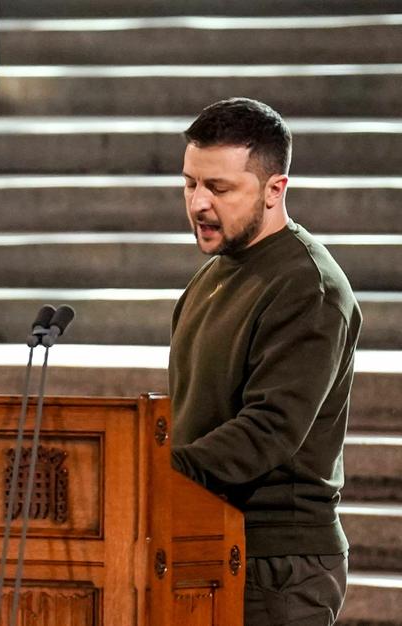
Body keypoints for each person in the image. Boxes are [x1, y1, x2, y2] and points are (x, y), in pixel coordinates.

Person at [169, 97, 362, 625]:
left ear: (275, 189)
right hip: (209, 535)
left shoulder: (307, 286)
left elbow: (269, 430)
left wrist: (155, 473)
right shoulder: (211, 275)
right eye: (190, 183)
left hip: (279, 562)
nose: (199, 203)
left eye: (220, 188)